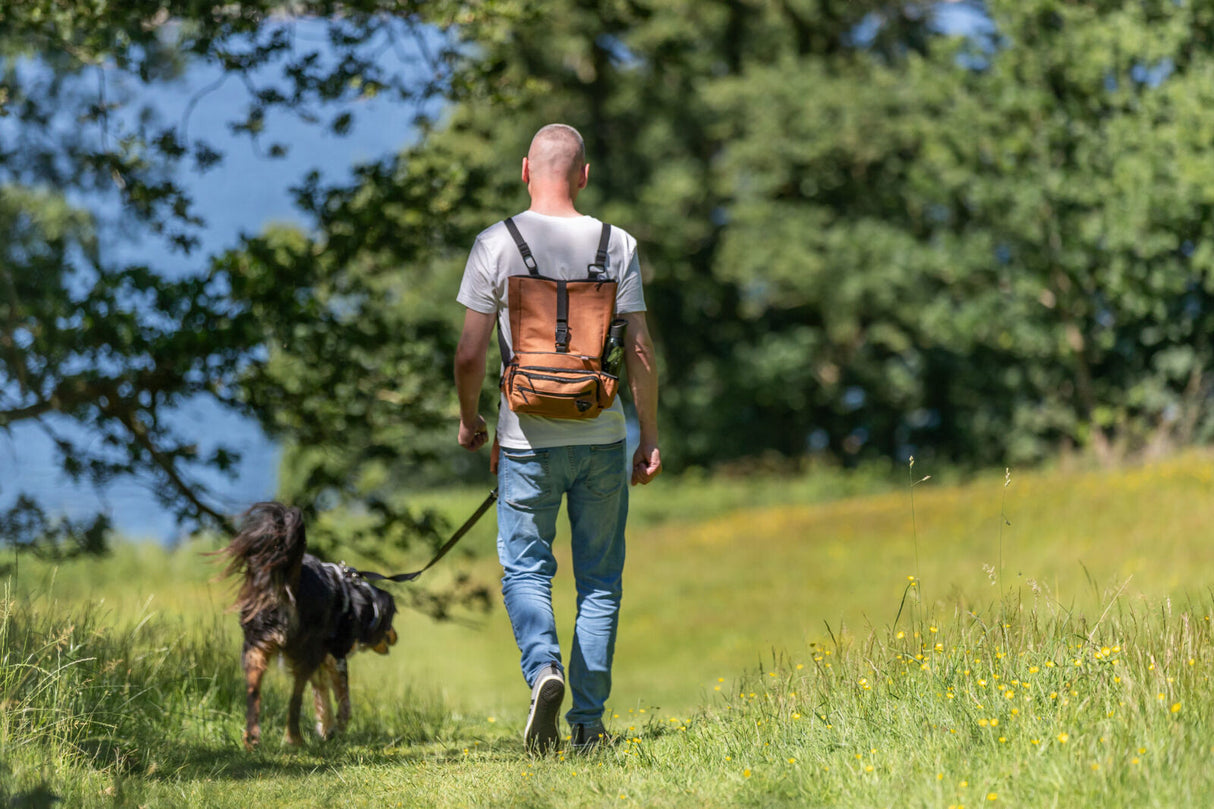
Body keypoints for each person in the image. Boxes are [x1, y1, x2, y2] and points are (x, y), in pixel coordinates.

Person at [454, 123, 661, 754]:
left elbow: (469, 354)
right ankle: (589, 727)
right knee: (599, 581)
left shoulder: (497, 242)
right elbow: (642, 351)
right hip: (601, 436)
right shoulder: (615, 242)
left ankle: (544, 669)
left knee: (525, 569)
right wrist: (646, 434)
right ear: (584, 175)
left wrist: (470, 420)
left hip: (525, 439)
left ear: (524, 170)